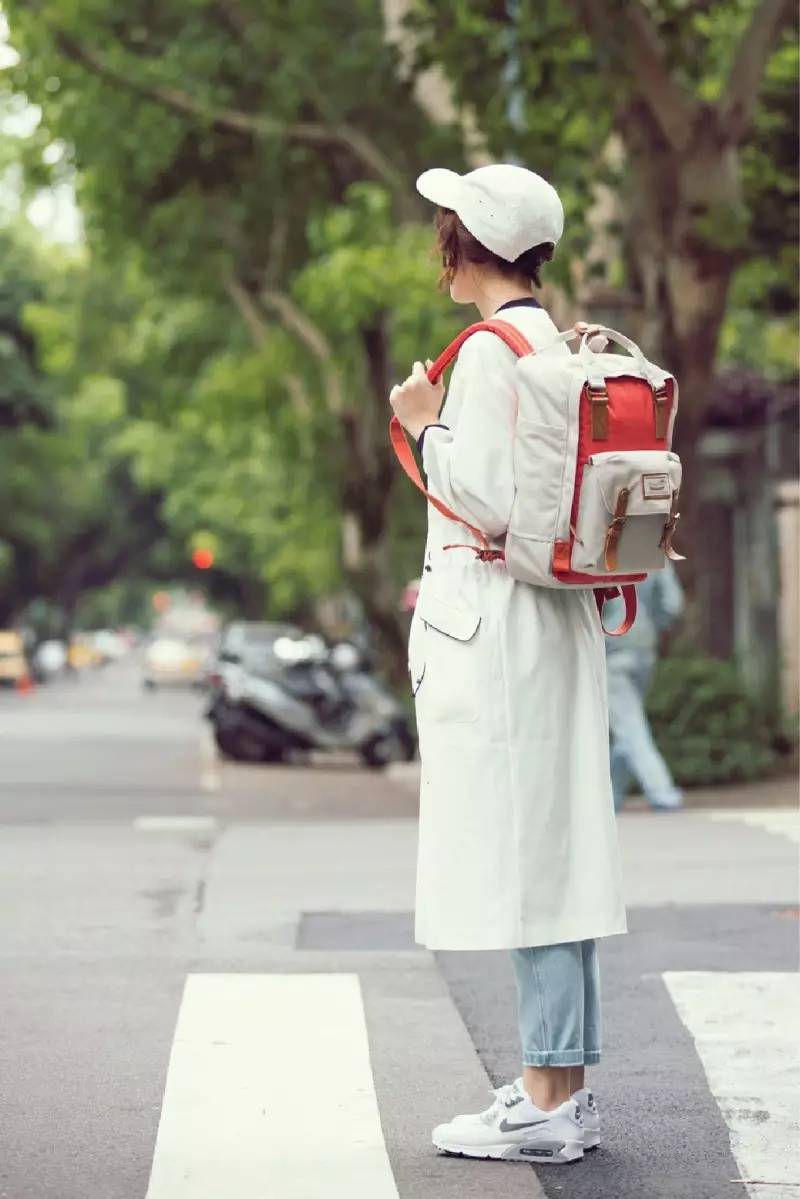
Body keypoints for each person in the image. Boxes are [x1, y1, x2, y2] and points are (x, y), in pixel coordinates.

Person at [389, 163, 626, 1167]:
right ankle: (555, 1084)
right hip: (550, 623)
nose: (436, 244)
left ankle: (544, 1096)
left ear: (465, 242)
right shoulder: (550, 341)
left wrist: (414, 419)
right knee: (556, 847)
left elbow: (482, 493)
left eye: (444, 227)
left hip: (500, 629)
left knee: (531, 857)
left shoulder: (490, 352)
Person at [605, 564, 685, 811]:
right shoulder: (654, 549)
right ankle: (611, 797)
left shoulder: (598, 546)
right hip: (644, 650)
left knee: (629, 726)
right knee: (626, 726)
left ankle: (662, 793)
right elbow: (673, 603)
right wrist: (653, 625)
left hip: (611, 648)